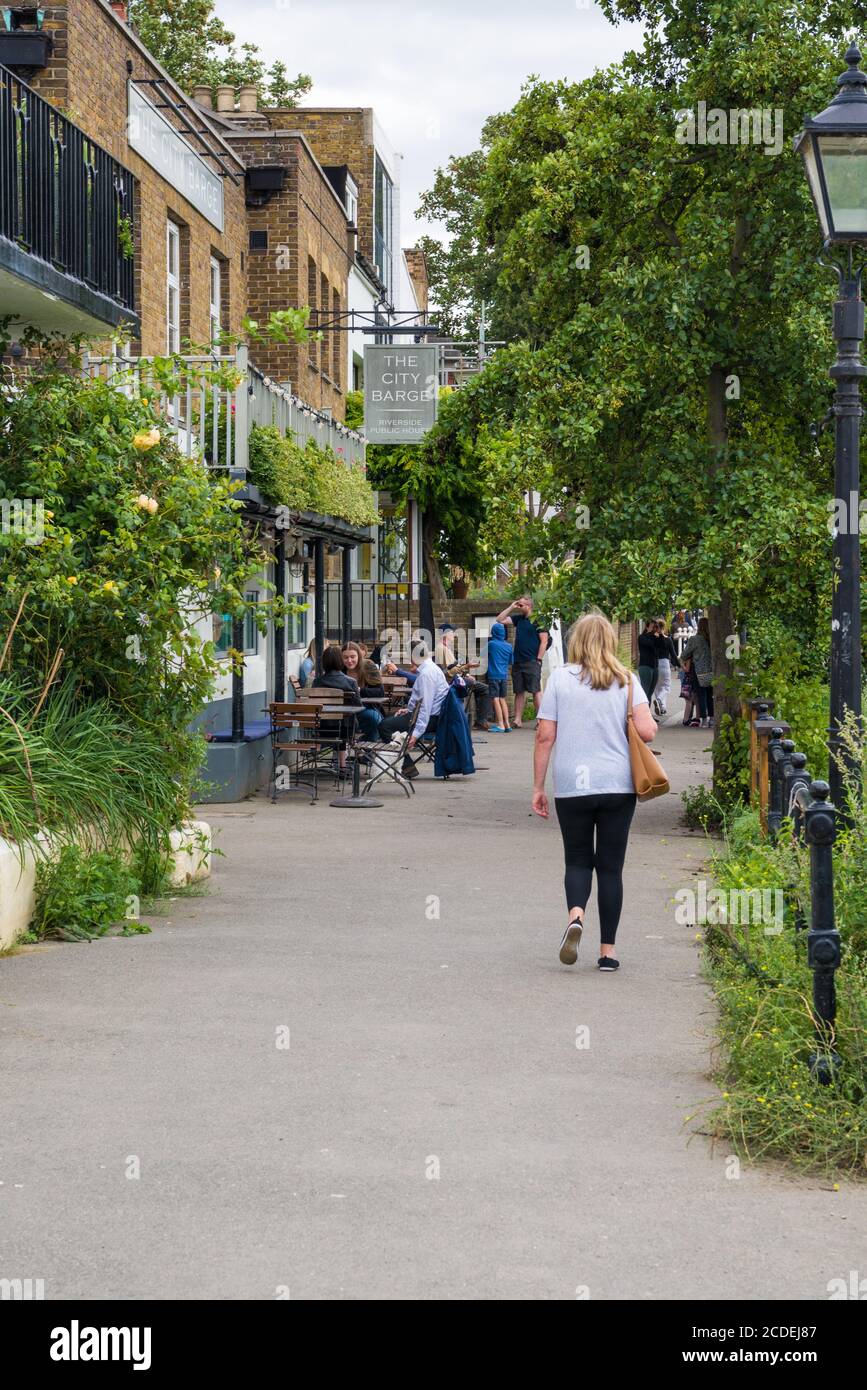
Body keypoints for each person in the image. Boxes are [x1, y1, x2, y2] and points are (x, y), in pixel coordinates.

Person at [533, 611, 657, 972]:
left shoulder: (559, 679)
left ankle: (576, 915)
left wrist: (538, 787)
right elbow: (648, 732)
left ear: (576, 642)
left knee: (576, 859)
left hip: (573, 785)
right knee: (610, 868)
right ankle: (608, 952)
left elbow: (544, 735)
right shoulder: (627, 679)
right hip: (618, 784)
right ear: (610, 641)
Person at [378, 642, 450, 780]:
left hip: (432, 719)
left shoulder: (426, 674)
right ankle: (406, 766)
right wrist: (408, 710)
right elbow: (422, 702)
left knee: (384, 726)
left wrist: (416, 734)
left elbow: (425, 707)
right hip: (429, 716)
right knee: (388, 721)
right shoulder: (430, 669)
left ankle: (407, 768)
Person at [496, 596, 550, 727]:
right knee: (519, 691)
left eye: (521, 605)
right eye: (518, 604)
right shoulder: (518, 619)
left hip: (532, 661)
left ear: (529, 605)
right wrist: (511, 606)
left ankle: (540, 721)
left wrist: (538, 659)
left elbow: (544, 641)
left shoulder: (539, 620)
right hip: (518, 661)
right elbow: (499, 620)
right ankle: (518, 720)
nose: (519, 607)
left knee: (535, 690)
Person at [681, 617, 714, 728]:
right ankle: (712, 718)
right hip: (712, 671)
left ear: (699, 626)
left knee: (701, 695)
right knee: (710, 695)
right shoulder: (713, 639)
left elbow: (684, 655)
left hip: (699, 672)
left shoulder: (695, 639)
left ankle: (704, 719)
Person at [485, 621, 514, 732]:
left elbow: (482, 657)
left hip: (494, 676)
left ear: (493, 632)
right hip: (504, 676)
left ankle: (500, 725)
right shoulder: (509, 646)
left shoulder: (491, 644)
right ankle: (507, 724)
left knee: (495, 699)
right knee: (502, 699)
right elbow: (511, 661)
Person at [651, 618, 680, 718]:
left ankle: (663, 708)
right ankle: (659, 700)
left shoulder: (652, 639)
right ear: (664, 627)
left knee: (657, 687)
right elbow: (673, 654)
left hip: (654, 663)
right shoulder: (668, 639)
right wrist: (679, 666)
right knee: (666, 686)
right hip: (664, 663)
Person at [637, 620, 658, 700]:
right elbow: (649, 644)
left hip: (655, 666)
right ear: (647, 627)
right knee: (645, 691)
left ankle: (647, 710)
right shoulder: (642, 637)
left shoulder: (657, 638)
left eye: (655, 627)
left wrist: (661, 635)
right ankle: (643, 711)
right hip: (645, 666)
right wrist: (651, 634)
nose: (654, 629)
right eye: (652, 627)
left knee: (650, 693)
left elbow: (662, 648)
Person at [679, 654, 700, 727]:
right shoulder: (696, 657)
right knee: (696, 700)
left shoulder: (688, 657)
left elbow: (686, 669)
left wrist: (681, 663)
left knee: (688, 700)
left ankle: (686, 719)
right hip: (694, 679)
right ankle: (697, 718)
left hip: (688, 679)